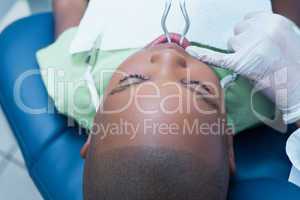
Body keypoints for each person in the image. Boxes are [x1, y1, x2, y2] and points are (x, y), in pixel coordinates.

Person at [37, 0, 300, 199]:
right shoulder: (263, 91)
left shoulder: (76, 83)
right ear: (228, 141)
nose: (168, 58)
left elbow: (68, 7)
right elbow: (284, 26)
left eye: (135, 79)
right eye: (196, 87)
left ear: (93, 130)